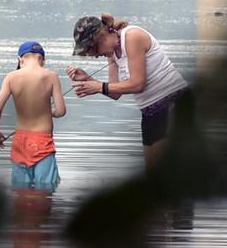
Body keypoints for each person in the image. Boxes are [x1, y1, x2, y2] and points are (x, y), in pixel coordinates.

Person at [68, 13, 189, 171]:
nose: (94, 56)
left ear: (100, 37)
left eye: (91, 50)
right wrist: (89, 80)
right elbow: (115, 92)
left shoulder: (132, 37)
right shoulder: (112, 54)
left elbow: (138, 84)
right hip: (150, 111)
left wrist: (99, 87)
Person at [0, 41, 66, 190]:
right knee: (46, 189)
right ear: (43, 60)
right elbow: (61, 111)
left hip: (20, 141)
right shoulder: (51, 76)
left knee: (20, 191)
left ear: (20, 59)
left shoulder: (11, 77)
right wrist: (48, 112)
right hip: (43, 142)